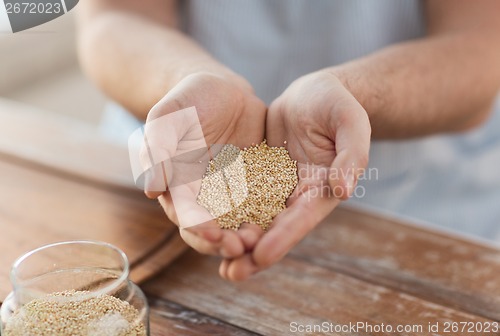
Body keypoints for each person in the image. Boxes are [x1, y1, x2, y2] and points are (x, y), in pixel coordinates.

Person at [76, 0, 500, 281]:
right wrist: (183, 80)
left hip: (422, 211)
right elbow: (113, 16)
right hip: (172, 170)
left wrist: (354, 91)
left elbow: (480, 44)